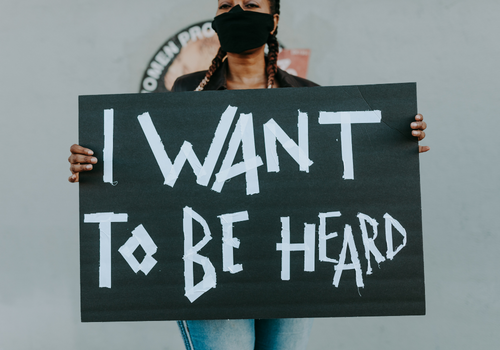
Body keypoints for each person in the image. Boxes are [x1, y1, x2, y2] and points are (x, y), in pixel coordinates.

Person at [68, 1, 429, 349]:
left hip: (292, 271)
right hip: (210, 268)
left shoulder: (308, 97)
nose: (237, 12)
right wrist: (97, 164)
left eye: (252, 5)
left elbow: (338, 178)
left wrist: (394, 146)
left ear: (273, 22)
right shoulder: (186, 92)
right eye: (226, 6)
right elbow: (155, 170)